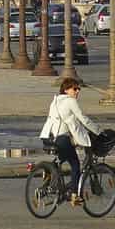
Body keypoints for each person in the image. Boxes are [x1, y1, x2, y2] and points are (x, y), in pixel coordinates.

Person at [38, 75, 102, 204]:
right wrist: (98, 131)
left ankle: (52, 178)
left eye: (78, 89)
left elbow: (70, 122)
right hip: (61, 139)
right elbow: (83, 118)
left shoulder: (55, 101)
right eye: (75, 89)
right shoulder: (70, 101)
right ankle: (74, 195)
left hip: (48, 138)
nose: (77, 91)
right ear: (66, 90)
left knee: (62, 158)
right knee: (75, 164)